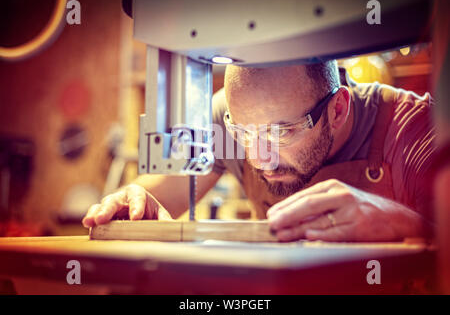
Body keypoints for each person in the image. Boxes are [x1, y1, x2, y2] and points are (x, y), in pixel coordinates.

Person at [82, 60, 435, 242]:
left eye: (280, 132)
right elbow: (158, 195)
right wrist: (134, 200)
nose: (260, 157)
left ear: (338, 110)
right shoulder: (223, 115)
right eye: (242, 132)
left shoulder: (415, 130)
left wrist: (401, 221)